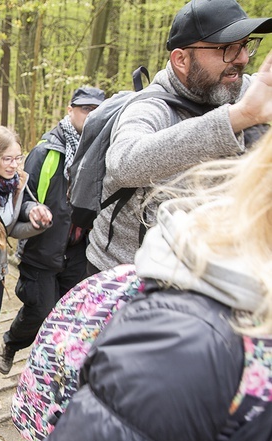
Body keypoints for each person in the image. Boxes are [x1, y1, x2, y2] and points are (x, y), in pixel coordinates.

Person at [11, 126, 272, 441]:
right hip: (44, 261)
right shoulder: (189, 342)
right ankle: (11, 346)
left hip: (71, 258)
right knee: (35, 313)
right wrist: (32, 218)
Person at [86, 0, 272, 275]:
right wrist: (239, 117)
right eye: (228, 48)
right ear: (181, 60)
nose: (243, 58)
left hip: (212, 276)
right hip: (128, 279)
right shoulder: (149, 107)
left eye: (245, 45)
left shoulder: (243, 90)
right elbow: (123, 163)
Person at [0, 86, 105, 375]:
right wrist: (33, 210)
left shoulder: (103, 149)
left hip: (79, 250)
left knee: (70, 316)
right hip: (43, 249)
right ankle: (10, 343)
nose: (91, 115)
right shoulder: (46, 151)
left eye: (97, 110)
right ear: (70, 110)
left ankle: (51, 369)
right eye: (85, 109)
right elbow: (21, 196)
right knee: (40, 311)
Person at [0, 127, 52, 399]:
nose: (14, 165)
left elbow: (10, 228)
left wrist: (36, 218)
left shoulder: (15, 184)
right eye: (7, 159)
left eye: (18, 158)